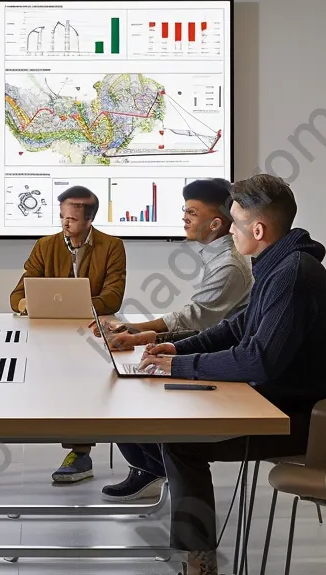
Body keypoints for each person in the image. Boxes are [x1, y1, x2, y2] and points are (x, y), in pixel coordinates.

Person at [128, 174, 326, 575]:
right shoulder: (279, 263)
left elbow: (257, 359)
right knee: (179, 438)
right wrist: (174, 347)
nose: (230, 230)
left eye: (238, 222)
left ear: (259, 230)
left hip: (299, 418)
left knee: (183, 443)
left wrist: (178, 369)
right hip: (278, 404)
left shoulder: (292, 275)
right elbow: (237, 329)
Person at [95, 178, 253, 503]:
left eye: (192, 212)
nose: (185, 218)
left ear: (216, 223)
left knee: (127, 391)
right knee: (126, 380)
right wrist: (140, 332)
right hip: (208, 347)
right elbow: (199, 322)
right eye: (185, 210)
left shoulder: (229, 265)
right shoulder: (216, 255)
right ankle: (156, 470)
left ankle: (164, 471)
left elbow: (196, 319)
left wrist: (138, 329)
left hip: (219, 362)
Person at [9, 184, 126, 485]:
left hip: (90, 334)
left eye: (72, 219)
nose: (64, 223)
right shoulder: (45, 245)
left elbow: (113, 298)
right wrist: (27, 303)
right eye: (61, 217)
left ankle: (80, 453)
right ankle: (73, 446)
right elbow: (18, 293)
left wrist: (73, 304)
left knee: (86, 388)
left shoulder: (112, 246)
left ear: (89, 220)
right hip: (47, 335)